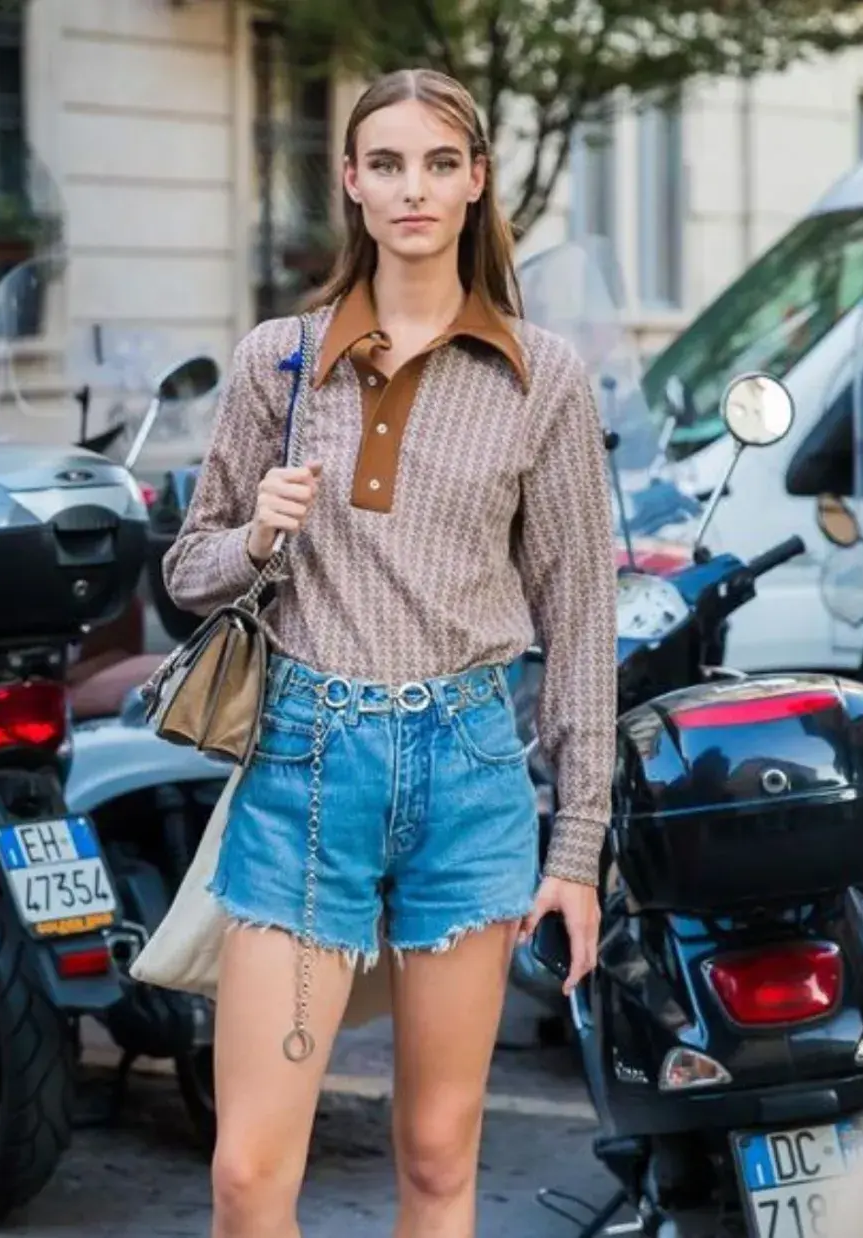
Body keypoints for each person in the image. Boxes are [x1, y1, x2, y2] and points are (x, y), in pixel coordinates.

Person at [162, 67, 617, 1238]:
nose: (412, 187)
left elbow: (579, 614)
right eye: (387, 164)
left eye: (437, 163)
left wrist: (577, 847)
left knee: (432, 1157)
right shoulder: (279, 360)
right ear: (351, 183)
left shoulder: (541, 374)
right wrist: (258, 530)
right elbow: (187, 568)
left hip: (469, 773)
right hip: (307, 768)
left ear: (473, 184)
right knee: (251, 1175)